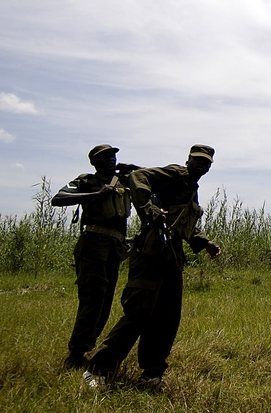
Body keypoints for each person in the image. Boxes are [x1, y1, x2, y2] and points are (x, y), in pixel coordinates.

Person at [84, 145, 221, 389]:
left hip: (172, 254)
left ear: (210, 167)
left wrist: (204, 242)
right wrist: (150, 210)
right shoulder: (176, 174)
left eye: (206, 163)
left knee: (167, 317)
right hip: (150, 250)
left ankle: (152, 373)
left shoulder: (191, 187)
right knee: (138, 312)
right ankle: (99, 369)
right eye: (197, 161)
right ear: (188, 160)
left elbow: (184, 224)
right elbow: (139, 176)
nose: (201, 165)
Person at [51, 144, 139, 370]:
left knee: (105, 302)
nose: (111, 160)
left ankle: (84, 350)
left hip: (114, 248)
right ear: (94, 162)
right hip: (92, 245)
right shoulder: (86, 181)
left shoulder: (125, 181)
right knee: (92, 300)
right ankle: (76, 353)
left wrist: (134, 168)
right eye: (105, 157)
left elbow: (155, 181)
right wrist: (95, 195)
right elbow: (58, 198)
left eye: (113, 156)